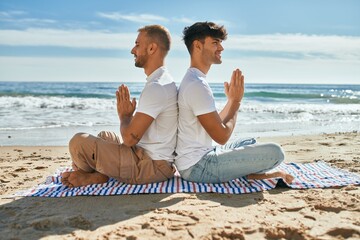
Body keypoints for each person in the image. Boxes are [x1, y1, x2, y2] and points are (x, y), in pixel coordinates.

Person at [175, 21, 294, 184]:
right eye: (215, 43)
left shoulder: (195, 80)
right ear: (197, 46)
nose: (221, 48)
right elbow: (222, 136)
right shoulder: (196, 85)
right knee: (276, 152)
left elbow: (216, 124)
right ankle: (246, 174)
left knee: (249, 142)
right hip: (198, 167)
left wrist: (231, 101)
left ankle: (244, 173)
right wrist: (236, 102)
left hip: (200, 157)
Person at [61, 25, 177, 187]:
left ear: (151, 48)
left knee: (78, 142)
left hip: (150, 167)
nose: (132, 50)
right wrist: (129, 118)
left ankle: (93, 175)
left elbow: (129, 139)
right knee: (105, 135)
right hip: (145, 157)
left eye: (137, 44)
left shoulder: (157, 87)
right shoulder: (161, 80)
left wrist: (125, 117)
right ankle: (97, 173)